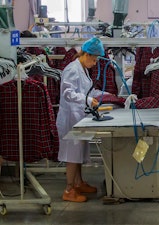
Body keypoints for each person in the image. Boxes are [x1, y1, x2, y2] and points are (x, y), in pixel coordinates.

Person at [56, 37, 107, 202]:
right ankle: (69, 190)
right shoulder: (72, 69)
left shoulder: (82, 69)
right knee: (72, 156)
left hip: (79, 117)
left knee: (78, 154)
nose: (94, 63)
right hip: (70, 118)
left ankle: (78, 183)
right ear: (86, 54)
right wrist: (86, 100)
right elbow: (67, 93)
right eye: (93, 59)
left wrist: (106, 96)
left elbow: (87, 92)